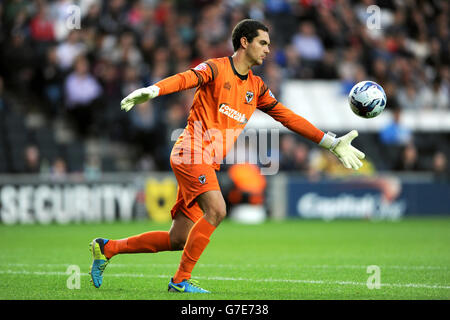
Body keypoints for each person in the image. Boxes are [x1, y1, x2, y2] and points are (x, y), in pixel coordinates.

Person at [89, 19, 365, 293]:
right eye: (263, 43)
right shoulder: (215, 68)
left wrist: (330, 142)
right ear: (244, 42)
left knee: (177, 239)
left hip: (205, 159)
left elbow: (288, 117)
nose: (268, 50)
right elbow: (186, 78)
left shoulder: (256, 88)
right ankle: (180, 281)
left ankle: (107, 248)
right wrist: (155, 89)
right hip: (190, 150)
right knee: (218, 210)